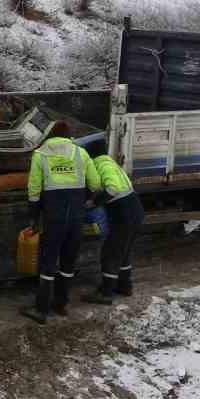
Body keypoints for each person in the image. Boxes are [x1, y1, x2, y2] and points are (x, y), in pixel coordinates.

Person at [22, 122, 102, 324]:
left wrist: (34, 215)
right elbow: (95, 183)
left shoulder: (40, 154)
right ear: (69, 137)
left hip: (53, 214)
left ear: (50, 135)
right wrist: (85, 199)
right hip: (76, 213)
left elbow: (34, 188)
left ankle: (41, 310)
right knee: (68, 259)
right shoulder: (81, 153)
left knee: (48, 259)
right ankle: (61, 304)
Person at [84, 152, 145, 305]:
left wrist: (94, 202)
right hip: (135, 211)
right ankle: (125, 286)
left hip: (124, 215)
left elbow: (112, 189)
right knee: (123, 252)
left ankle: (106, 293)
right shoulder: (110, 163)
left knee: (110, 252)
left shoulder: (101, 166)